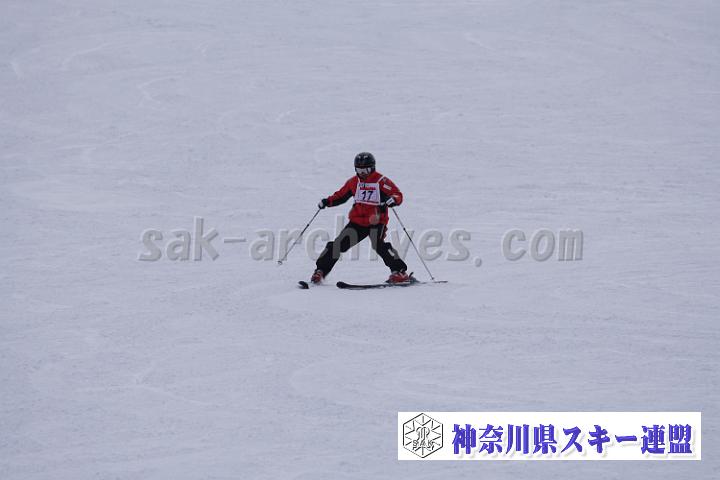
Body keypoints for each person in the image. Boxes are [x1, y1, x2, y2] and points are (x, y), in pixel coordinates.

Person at [310, 152, 410, 284]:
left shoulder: (381, 181)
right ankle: (320, 271)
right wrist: (327, 201)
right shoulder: (353, 182)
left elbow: (397, 194)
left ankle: (400, 272)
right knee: (338, 244)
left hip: (376, 220)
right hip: (357, 221)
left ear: (372, 168)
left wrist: (393, 199)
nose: (362, 173)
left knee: (378, 244)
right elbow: (341, 196)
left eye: (366, 170)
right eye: (359, 170)